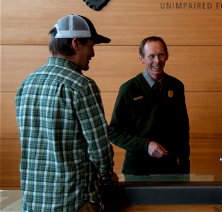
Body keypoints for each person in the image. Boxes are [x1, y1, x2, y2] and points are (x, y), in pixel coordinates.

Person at [16, 14, 116, 212]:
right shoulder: (81, 86)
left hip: (33, 202)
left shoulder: (26, 84)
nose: (93, 53)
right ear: (76, 43)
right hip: (73, 201)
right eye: (91, 45)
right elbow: (99, 148)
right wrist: (106, 177)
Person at [109, 36, 190, 175]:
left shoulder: (176, 86)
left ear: (167, 55)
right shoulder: (128, 89)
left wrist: (184, 166)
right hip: (137, 170)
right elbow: (114, 132)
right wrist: (145, 145)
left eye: (160, 55)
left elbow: (182, 129)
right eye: (151, 56)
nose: (157, 61)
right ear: (142, 58)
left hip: (170, 169)